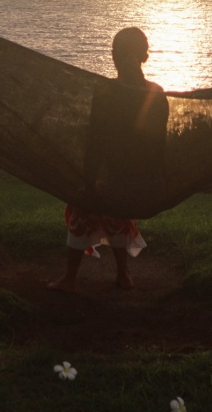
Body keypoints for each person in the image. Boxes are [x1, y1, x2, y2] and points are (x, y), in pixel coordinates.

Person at [47, 26, 168, 291]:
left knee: (84, 202)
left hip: (123, 185)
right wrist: (160, 183)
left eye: (117, 53)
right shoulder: (157, 94)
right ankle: (124, 274)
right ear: (145, 56)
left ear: (114, 56)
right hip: (147, 187)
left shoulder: (106, 93)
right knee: (113, 200)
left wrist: (87, 184)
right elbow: (158, 149)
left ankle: (70, 278)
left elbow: (96, 145)